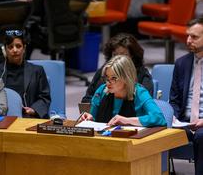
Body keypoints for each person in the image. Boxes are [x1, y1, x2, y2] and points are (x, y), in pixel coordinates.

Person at [81, 55, 166, 127]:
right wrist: (90, 118)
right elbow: (94, 119)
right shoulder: (102, 91)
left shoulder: (140, 93)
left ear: (126, 78)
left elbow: (159, 118)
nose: (108, 82)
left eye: (113, 78)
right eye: (107, 77)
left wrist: (127, 120)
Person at [169, 17, 203, 175]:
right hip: (184, 122)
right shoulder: (181, 63)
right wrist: (173, 118)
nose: (188, 40)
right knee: (157, 134)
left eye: (194, 37)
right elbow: (174, 100)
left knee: (201, 137)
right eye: (188, 36)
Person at [81, 33, 153, 103]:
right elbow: (87, 98)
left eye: (123, 55)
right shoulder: (104, 71)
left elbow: (144, 106)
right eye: (115, 55)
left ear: (132, 56)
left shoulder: (142, 75)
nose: (117, 59)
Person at [0, 29, 51, 119]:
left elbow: (44, 97)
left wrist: (33, 110)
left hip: (28, 117)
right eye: (10, 47)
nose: (15, 50)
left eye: (18, 46)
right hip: (3, 117)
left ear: (24, 48)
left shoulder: (37, 71)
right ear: (4, 50)